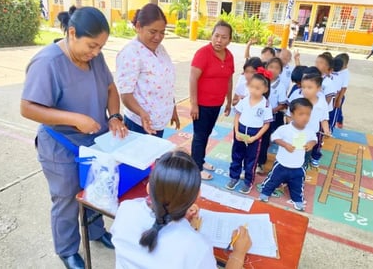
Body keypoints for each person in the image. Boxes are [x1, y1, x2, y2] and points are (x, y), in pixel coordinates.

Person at [20, 6, 125, 269]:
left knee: (95, 190)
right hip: (60, 145)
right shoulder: (47, 63)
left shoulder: (94, 58)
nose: (96, 53)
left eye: (100, 47)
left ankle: (96, 232)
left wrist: (114, 116)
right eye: (92, 45)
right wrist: (74, 119)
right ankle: (67, 249)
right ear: (72, 33)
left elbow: (111, 89)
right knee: (66, 198)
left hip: (94, 141)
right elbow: (27, 107)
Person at [111, 150, 252, 269]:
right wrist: (238, 254)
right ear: (198, 195)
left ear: (148, 188)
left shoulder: (126, 210)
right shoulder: (196, 246)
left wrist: (182, 222)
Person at [116, 3, 180, 138]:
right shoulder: (130, 53)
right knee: (140, 158)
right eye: (153, 32)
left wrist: (172, 109)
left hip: (158, 121)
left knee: (155, 157)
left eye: (162, 32)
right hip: (140, 123)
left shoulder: (160, 49)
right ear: (139, 27)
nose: (158, 37)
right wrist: (142, 113)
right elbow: (126, 95)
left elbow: (166, 83)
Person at [190, 20, 235, 180]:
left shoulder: (229, 56)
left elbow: (229, 80)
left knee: (207, 133)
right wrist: (194, 104)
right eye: (216, 36)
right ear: (211, 36)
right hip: (201, 105)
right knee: (200, 135)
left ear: (229, 40)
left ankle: (200, 161)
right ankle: (195, 167)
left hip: (217, 104)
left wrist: (229, 101)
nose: (219, 40)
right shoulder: (203, 53)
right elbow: (193, 78)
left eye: (224, 37)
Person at [260, 98, 317, 211]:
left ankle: (297, 200)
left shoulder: (309, 131)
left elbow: (314, 139)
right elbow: (274, 137)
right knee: (273, 180)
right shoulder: (284, 129)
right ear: (292, 114)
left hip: (298, 166)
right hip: (282, 164)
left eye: (308, 114)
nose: (305, 117)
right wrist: (285, 144)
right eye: (301, 114)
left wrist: (311, 143)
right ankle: (265, 192)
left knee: (298, 185)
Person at [225, 68, 273, 194]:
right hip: (240, 131)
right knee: (236, 155)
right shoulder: (245, 100)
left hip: (254, 134)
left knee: (251, 159)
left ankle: (248, 182)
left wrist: (256, 137)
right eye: (251, 87)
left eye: (258, 88)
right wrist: (236, 131)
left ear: (265, 90)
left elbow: (266, 125)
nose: (254, 90)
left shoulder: (266, 105)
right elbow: (237, 116)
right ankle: (234, 177)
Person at [286, 72, 331, 169]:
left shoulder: (321, 102)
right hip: (298, 134)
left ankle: (300, 176)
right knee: (294, 155)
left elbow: (324, 119)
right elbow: (289, 116)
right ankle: (289, 176)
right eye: (303, 87)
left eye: (309, 87)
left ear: (318, 89)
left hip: (311, 135)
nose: (305, 90)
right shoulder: (298, 100)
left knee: (305, 156)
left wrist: (326, 130)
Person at [256, 58, 287, 174]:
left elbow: (283, 104)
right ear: (266, 67)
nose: (273, 70)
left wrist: (270, 111)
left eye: (277, 68)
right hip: (256, 116)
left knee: (264, 140)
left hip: (270, 118)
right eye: (271, 67)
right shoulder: (261, 81)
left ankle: (260, 163)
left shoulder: (281, 86)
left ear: (280, 71)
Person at [334, 53, 350, 128]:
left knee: (337, 109)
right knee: (335, 109)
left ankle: (339, 121)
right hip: (333, 94)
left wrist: (339, 99)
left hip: (339, 95)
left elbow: (344, 88)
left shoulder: (345, 73)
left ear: (345, 65)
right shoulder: (336, 69)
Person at [328, 57, 344, 132]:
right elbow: (338, 91)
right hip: (333, 98)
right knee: (332, 115)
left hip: (328, 97)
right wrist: (335, 102)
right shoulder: (339, 77)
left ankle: (328, 129)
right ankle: (330, 129)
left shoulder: (328, 75)